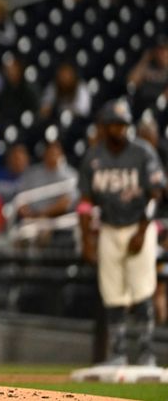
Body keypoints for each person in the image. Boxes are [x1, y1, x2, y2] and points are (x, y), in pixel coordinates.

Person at [77, 99, 164, 367]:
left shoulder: (143, 152)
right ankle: (118, 354)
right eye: (114, 125)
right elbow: (84, 202)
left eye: (123, 124)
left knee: (142, 290)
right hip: (109, 228)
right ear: (104, 127)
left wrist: (142, 228)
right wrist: (86, 239)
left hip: (139, 225)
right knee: (113, 293)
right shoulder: (94, 156)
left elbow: (156, 193)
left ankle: (146, 354)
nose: (120, 129)